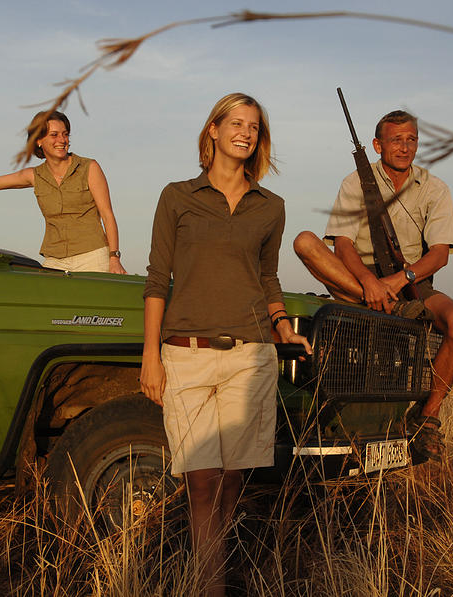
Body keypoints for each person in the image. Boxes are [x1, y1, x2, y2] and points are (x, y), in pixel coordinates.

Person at [141, 93, 310, 597]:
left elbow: (268, 277)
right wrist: (150, 355)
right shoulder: (177, 196)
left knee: (234, 480)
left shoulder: (270, 207)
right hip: (185, 353)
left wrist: (282, 326)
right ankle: (209, 585)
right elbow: (156, 279)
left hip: (251, 354)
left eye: (254, 126)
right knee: (201, 479)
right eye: (236, 122)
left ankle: (208, 573)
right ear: (213, 130)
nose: (245, 132)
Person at [293, 109, 453, 461]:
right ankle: (385, 306)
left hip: (412, 285)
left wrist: (398, 280)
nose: (405, 148)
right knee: (304, 241)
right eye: (396, 140)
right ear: (378, 145)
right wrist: (368, 283)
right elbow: (342, 244)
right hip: (356, 281)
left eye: (411, 140)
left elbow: (439, 255)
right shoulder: (355, 181)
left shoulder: (434, 188)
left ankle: (426, 418)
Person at [0, 111, 127, 274]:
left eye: (65, 134)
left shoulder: (89, 167)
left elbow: (107, 215)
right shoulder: (35, 175)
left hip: (92, 256)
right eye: (54, 135)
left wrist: (114, 258)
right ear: (39, 141)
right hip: (55, 260)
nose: (62, 140)